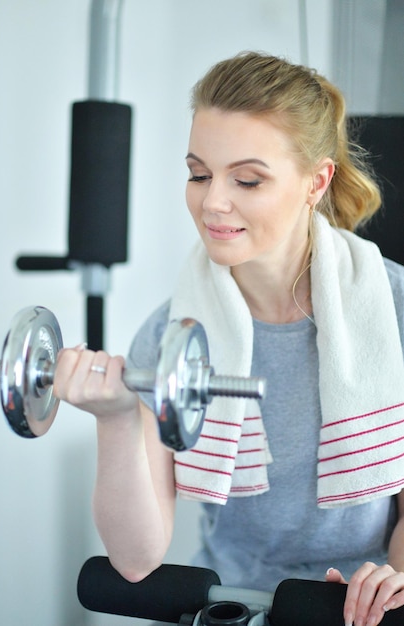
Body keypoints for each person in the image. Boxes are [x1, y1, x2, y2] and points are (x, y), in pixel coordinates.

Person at [53, 51, 404, 626]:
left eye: (247, 179)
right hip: (229, 602)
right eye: (198, 173)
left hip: (364, 608)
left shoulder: (395, 308)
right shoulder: (173, 336)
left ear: (316, 181)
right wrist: (114, 419)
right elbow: (137, 559)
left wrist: (395, 579)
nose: (212, 201)